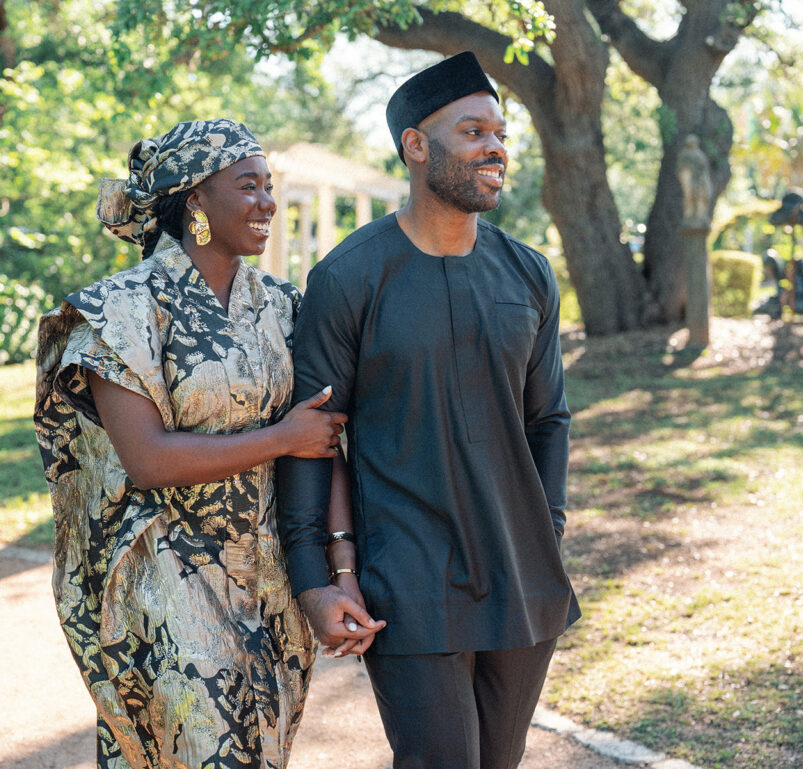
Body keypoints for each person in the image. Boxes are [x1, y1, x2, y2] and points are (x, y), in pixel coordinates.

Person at [276, 52, 581, 769]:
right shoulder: (348, 277)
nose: (495, 147)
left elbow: (549, 419)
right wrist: (316, 579)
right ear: (417, 145)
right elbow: (314, 439)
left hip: (521, 574)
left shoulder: (528, 272)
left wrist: (552, 526)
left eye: (499, 132)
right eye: (472, 131)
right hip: (407, 578)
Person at [33, 118, 366, 769]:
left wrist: (338, 571)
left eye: (270, 185)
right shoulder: (120, 309)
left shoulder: (282, 306)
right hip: (166, 571)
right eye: (249, 185)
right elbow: (150, 459)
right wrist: (283, 437)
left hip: (267, 577)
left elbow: (326, 442)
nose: (267, 201)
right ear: (194, 200)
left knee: (254, 750)